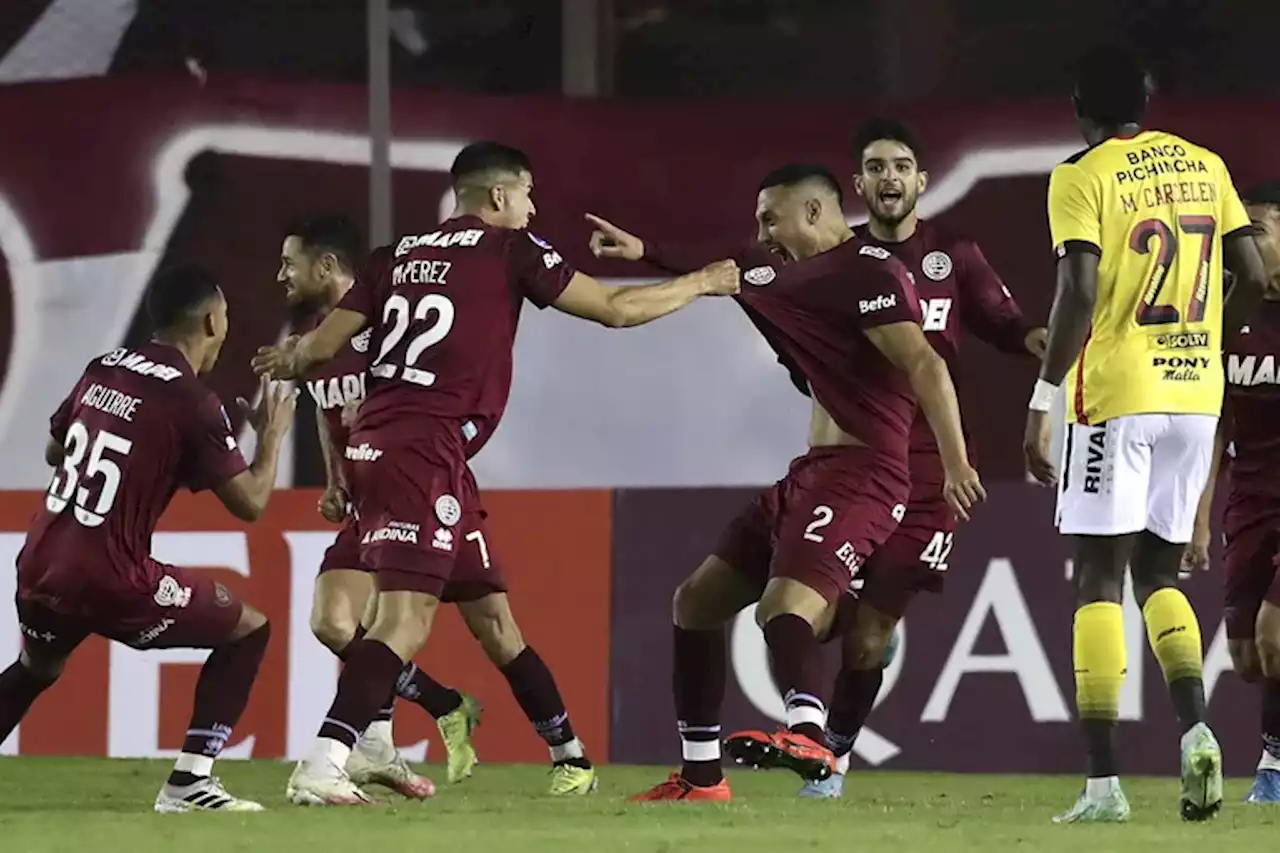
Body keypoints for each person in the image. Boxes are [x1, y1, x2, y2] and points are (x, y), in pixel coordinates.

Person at [252, 141, 741, 806]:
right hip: (424, 448)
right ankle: (326, 759)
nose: (533, 207)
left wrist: (288, 359)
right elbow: (616, 310)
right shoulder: (512, 248)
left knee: (465, 617)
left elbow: (318, 350)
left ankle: (548, 754)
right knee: (401, 622)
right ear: (500, 197)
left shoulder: (391, 257)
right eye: (529, 194)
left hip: (385, 443)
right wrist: (703, 283)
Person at [587, 162, 983, 803]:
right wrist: (646, 252)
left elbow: (926, 365)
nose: (762, 232)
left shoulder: (869, 274)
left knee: (782, 607)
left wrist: (958, 461)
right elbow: (726, 266)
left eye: (771, 218)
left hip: (865, 475)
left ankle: (808, 731)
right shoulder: (788, 272)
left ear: (817, 213)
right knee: (696, 603)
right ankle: (701, 777)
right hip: (809, 474)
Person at [1022, 44, 1270, 823]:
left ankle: (1103, 784)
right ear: (1147, 99)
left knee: (1099, 577)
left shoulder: (1080, 175)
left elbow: (1078, 287)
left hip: (1117, 393)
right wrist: (1199, 338)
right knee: (1160, 575)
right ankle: (1197, 728)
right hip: (1197, 393)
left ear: (1078, 107)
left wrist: (1044, 394)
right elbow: (1256, 280)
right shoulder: (1206, 165)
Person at [788, 118, 1046, 798]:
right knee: (809, 611)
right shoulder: (836, 261)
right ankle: (841, 662)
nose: (889, 177)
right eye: (875, 166)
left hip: (930, 460)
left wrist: (1053, 345)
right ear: (858, 183)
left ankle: (832, 763)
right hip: (855, 453)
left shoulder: (953, 254)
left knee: (870, 638)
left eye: (901, 165)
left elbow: (1004, 323)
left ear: (920, 181)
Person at [0, 265, 297, 812]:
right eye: (226, 317)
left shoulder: (104, 368)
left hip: (39, 560)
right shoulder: (192, 400)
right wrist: (272, 436)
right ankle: (189, 782)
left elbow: (53, 451)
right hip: (109, 574)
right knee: (249, 631)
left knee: (37, 668)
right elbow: (251, 503)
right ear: (211, 320)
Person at [279, 215, 482, 796]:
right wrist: (333, 478)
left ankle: (360, 750)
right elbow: (324, 408)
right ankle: (396, 734)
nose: (280, 275)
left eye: (289, 263)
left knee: (465, 625)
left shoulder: (384, 325)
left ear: (326, 265)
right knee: (333, 622)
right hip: (362, 496)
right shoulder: (317, 339)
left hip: (409, 492)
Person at [1185, 180, 1280, 804]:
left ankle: (1274, 767)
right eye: (1237, 232)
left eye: (1259, 230)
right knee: (1247, 655)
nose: (1243, 243)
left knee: (1277, 636)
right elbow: (1213, 427)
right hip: (1248, 502)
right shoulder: (1224, 316)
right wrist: (1197, 520)